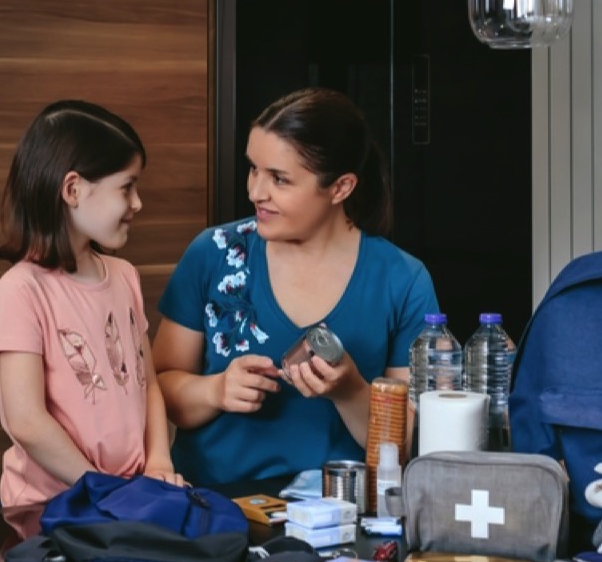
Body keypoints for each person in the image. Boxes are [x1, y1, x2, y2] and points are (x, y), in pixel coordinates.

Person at [154, 87, 440, 487]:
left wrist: (350, 391)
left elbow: (410, 444)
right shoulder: (214, 254)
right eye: (253, 168)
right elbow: (158, 388)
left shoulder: (401, 280)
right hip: (213, 514)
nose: (255, 192)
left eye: (279, 179)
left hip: (339, 517)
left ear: (341, 187)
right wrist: (215, 390)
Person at [0, 100, 183, 508]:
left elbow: (148, 387)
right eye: (126, 187)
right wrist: (97, 487)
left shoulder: (125, 275)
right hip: (51, 508)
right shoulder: (20, 290)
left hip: (127, 497)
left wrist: (159, 462)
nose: (137, 203)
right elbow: (26, 421)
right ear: (73, 189)